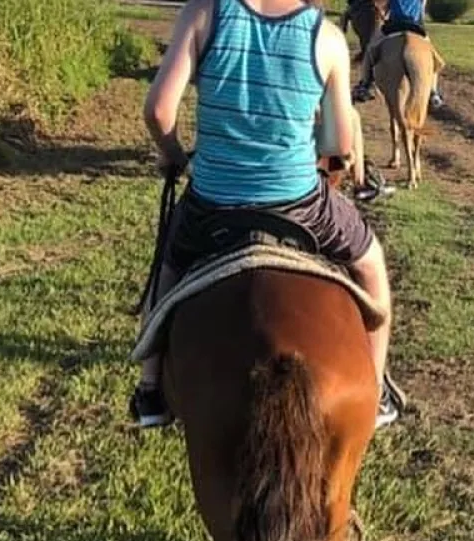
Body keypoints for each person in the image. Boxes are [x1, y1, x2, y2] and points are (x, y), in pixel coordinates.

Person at [132, 0, 406, 429]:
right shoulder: (327, 37)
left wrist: (174, 157)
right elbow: (339, 142)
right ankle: (375, 390)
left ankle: (150, 389)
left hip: (213, 199)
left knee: (168, 270)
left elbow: (158, 111)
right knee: (372, 266)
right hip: (300, 203)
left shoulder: (202, 14)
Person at [350, 0, 443, 109]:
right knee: (433, 57)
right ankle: (433, 92)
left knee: (370, 49)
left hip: (395, 26)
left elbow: (384, 7)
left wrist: (381, 12)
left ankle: (365, 85)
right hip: (416, 27)